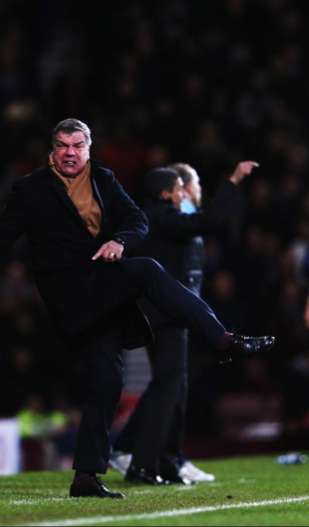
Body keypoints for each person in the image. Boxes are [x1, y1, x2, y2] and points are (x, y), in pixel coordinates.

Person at [0, 118, 275, 499]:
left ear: (88, 149)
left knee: (107, 382)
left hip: (103, 292)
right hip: (70, 294)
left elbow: (137, 221)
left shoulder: (103, 180)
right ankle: (223, 340)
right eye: (62, 145)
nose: (70, 152)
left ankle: (86, 476)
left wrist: (120, 240)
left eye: (77, 145)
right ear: (52, 150)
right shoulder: (31, 189)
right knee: (147, 270)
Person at [109, 161, 258, 485]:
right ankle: (143, 461)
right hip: (167, 316)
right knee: (168, 386)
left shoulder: (160, 217)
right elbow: (213, 220)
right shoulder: (162, 216)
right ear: (165, 193)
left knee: (172, 386)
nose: (185, 192)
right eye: (179, 188)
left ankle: (163, 460)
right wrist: (232, 181)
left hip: (169, 315)